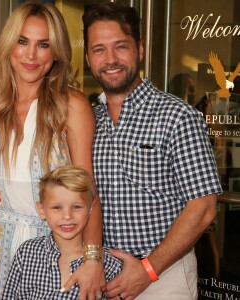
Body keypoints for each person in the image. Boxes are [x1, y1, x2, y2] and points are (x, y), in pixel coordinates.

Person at [74, 2, 222, 300]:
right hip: (101, 277)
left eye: (121, 47)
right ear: (89, 58)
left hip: (163, 278)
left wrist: (148, 270)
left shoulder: (178, 116)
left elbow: (203, 207)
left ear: (139, 50)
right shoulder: (88, 121)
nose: (111, 59)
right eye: (99, 49)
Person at [0, 2, 103, 299]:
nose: (31, 55)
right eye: (22, 41)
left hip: (50, 249)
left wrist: (93, 258)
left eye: (43, 44)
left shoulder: (71, 107)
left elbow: (89, 191)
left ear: (56, 53)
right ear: (9, 45)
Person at [2, 165, 122, 300]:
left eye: (76, 207)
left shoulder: (110, 264)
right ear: (41, 210)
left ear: (90, 208)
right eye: (57, 207)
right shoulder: (27, 253)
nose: (67, 216)